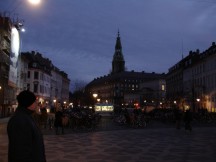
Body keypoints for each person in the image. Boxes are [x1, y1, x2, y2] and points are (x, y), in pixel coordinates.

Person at [7, 90, 46, 162]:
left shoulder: (27, 116)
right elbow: (20, 152)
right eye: (35, 101)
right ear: (29, 103)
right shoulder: (19, 120)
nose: (37, 103)